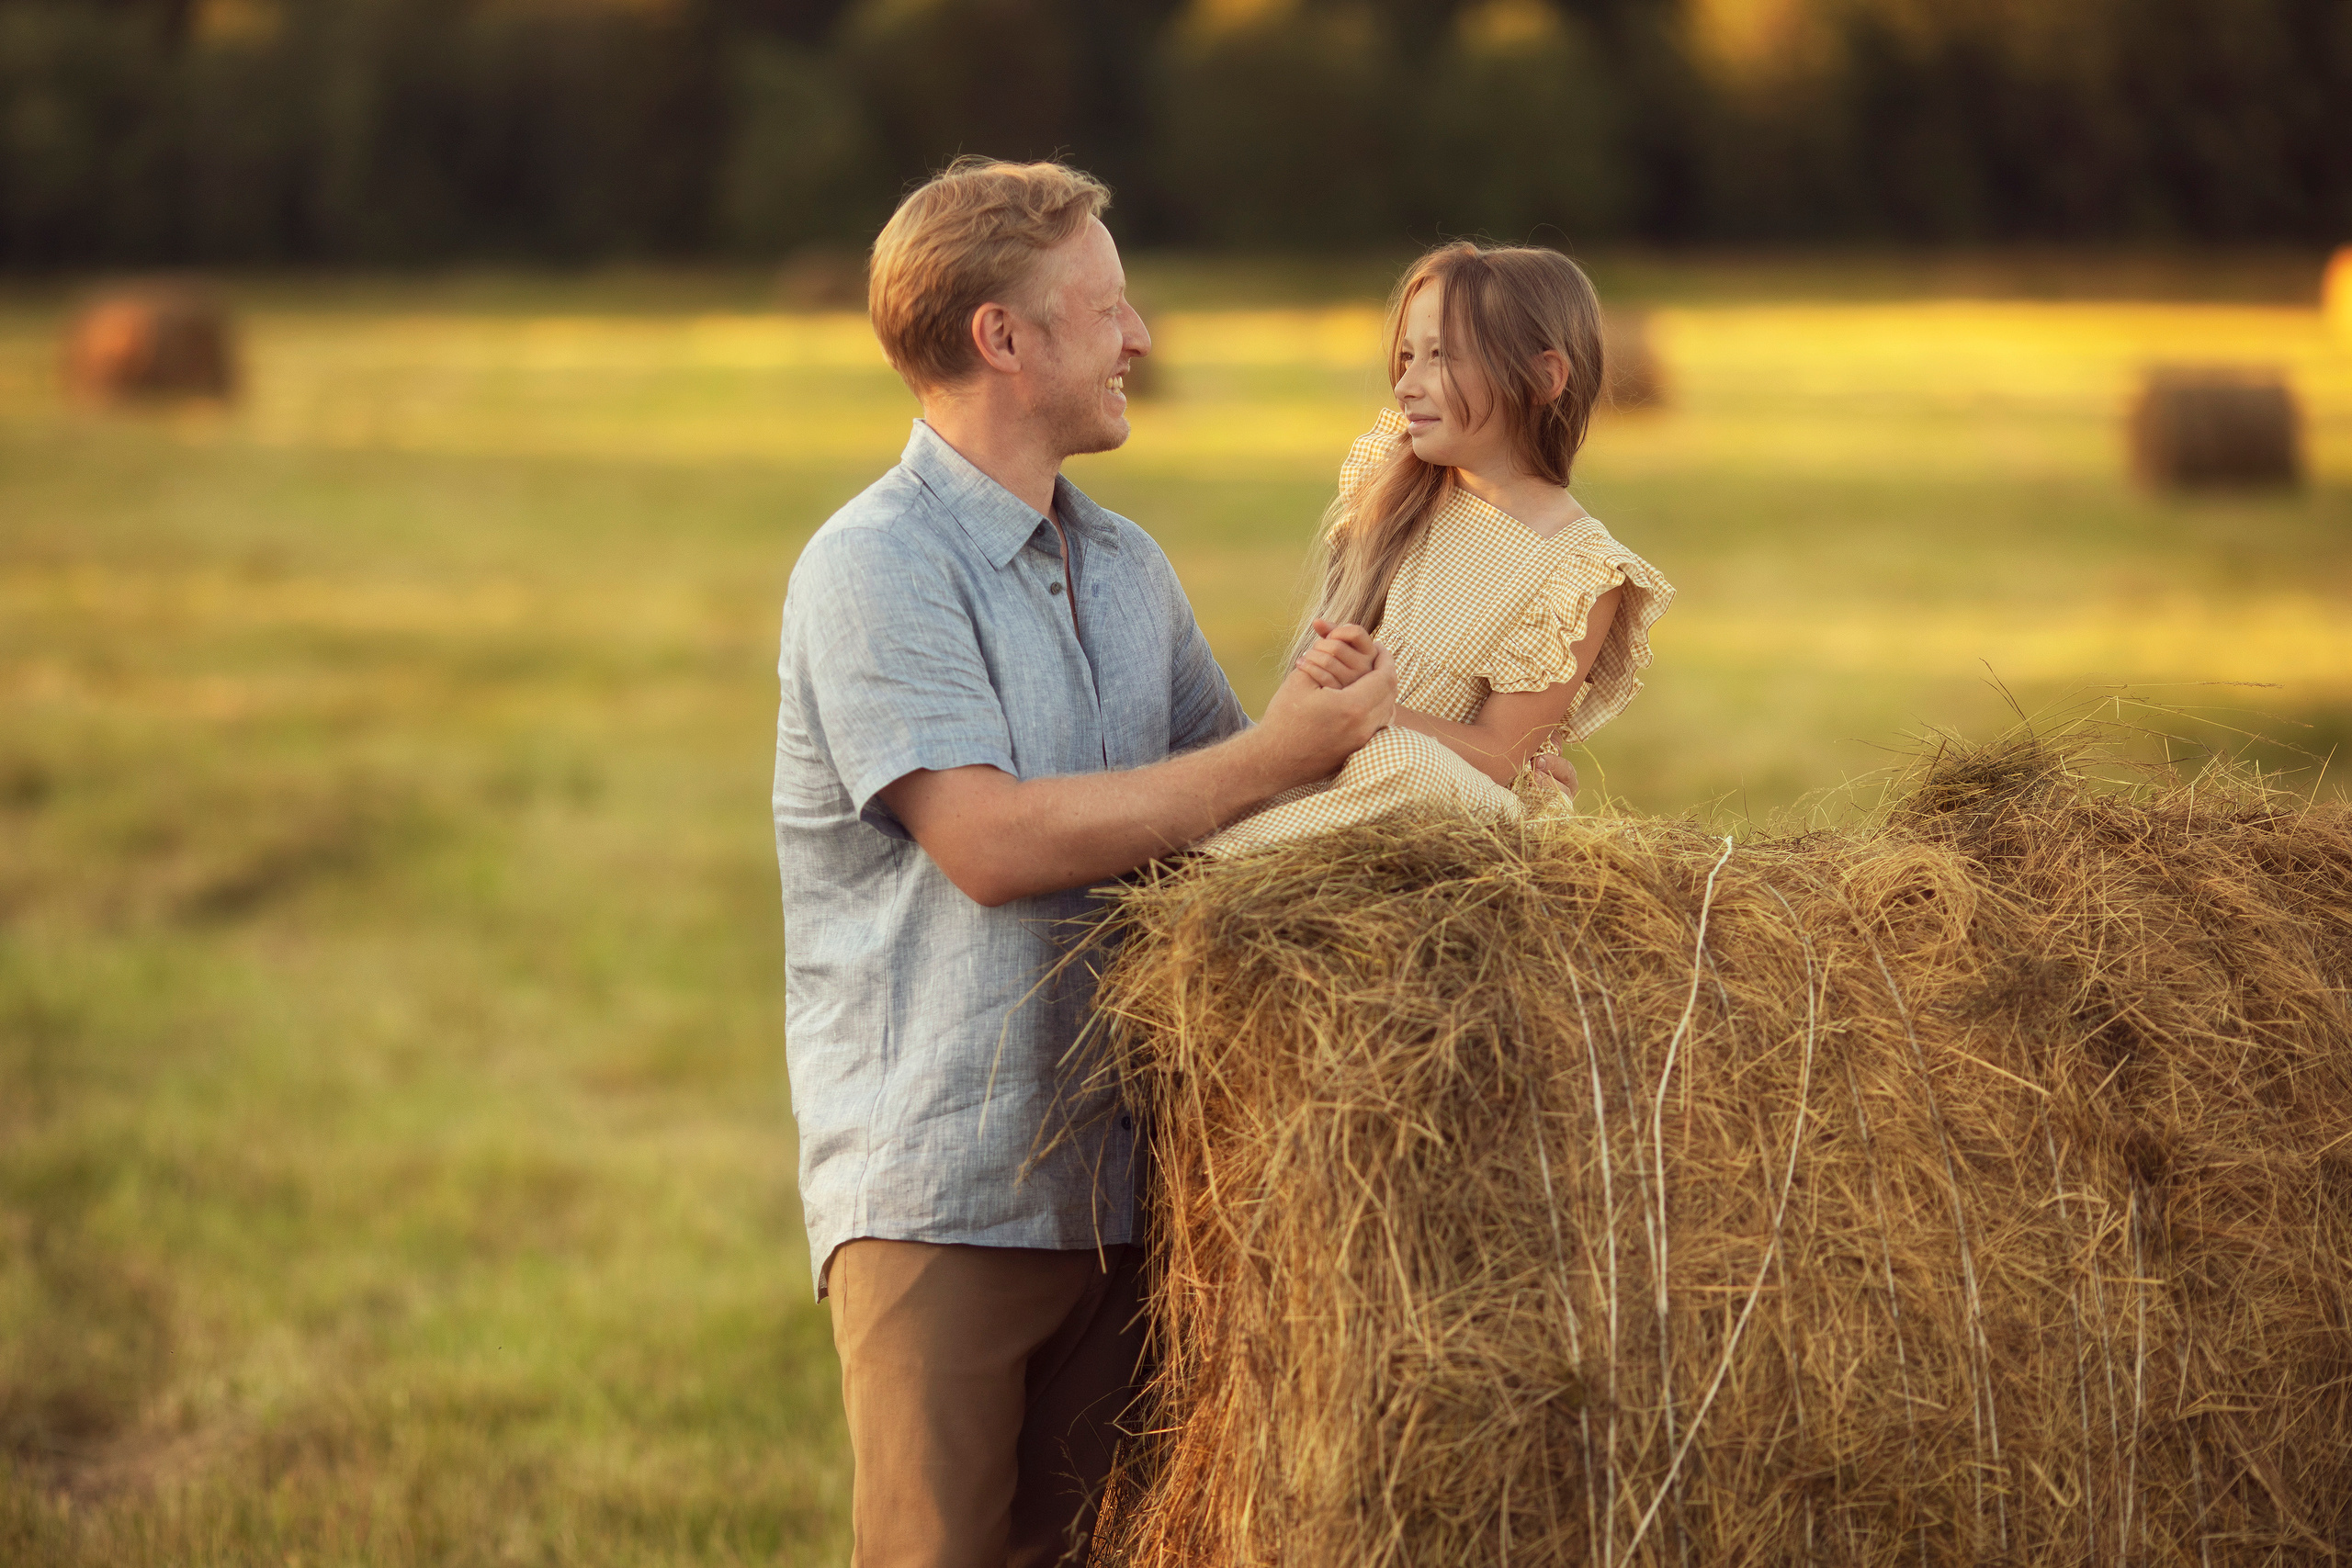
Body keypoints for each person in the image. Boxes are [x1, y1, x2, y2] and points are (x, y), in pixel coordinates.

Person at [770, 158, 1396, 1568]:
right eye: (1106, 307)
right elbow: (989, 842)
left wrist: (1451, 746)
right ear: (1006, 336)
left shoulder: (1128, 568)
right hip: (946, 1200)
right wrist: (1276, 754)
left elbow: (1243, 838)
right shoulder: (873, 567)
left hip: (1132, 1200)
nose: (1141, 339)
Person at [1197, 241, 1673, 858]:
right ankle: (1233, 845)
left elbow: (1501, 755)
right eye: (1406, 356)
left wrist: (1376, 712)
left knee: (1402, 763)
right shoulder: (1404, 492)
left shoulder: (1579, 569)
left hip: (1459, 804)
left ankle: (1217, 864)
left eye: (1440, 358)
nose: (1405, 384)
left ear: (1543, 378)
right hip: (1348, 764)